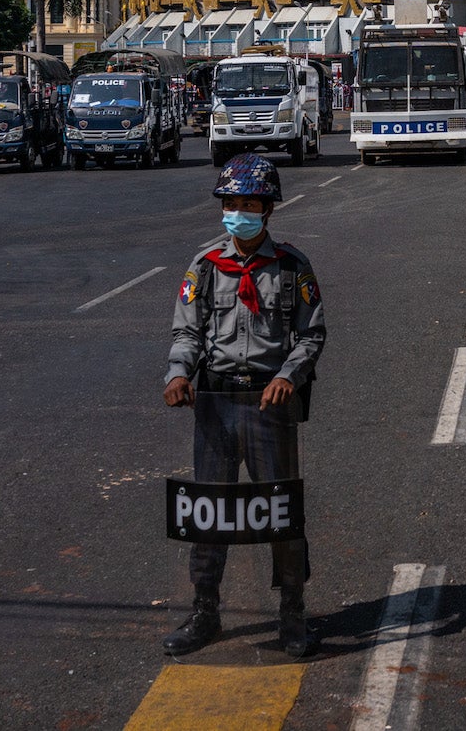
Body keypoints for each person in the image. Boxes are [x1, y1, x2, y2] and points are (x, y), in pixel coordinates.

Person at [162, 153, 327, 659]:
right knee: (207, 512)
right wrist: (177, 374)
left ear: (268, 210)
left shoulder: (292, 267)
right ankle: (204, 609)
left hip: (267, 404)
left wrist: (286, 377)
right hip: (214, 403)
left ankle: (293, 613)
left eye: (248, 204)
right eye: (230, 204)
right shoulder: (205, 264)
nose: (238, 213)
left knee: (281, 510)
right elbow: (188, 329)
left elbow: (311, 334)